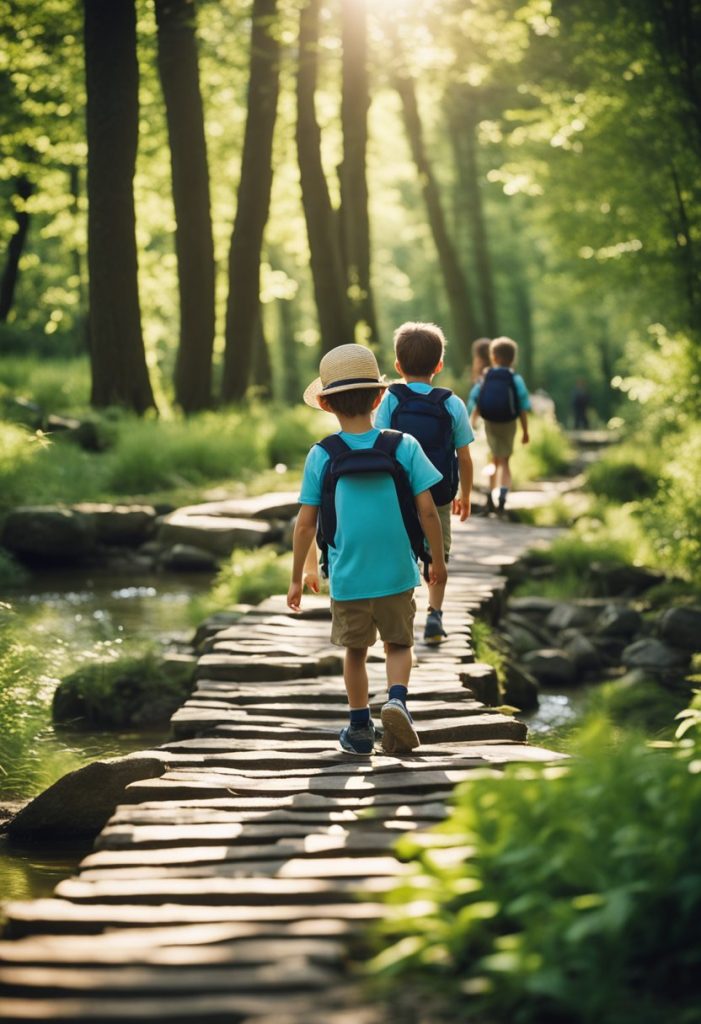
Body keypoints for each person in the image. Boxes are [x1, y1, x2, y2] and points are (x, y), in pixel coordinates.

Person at [287, 343, 447, 755]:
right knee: (399, 644)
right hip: (397, 571)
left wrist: (298, 577)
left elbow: (306, 523)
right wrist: (438, 562)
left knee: (355, 652)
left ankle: (359, 728)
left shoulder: (322, 454)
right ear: (380, 396)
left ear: (325, 404)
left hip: (348, 575)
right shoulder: (404, 445)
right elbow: (428, 513)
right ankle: (396, 700)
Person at [375, 321, 474, 645]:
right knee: (437, 556)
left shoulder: (390, 400)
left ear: (398, 366)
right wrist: (466, 495)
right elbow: (465, 456)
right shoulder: (451, 403)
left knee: (402, 552)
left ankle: (404, 614)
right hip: (440, 494)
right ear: (439, 365)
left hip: (399, 496)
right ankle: (435, 614)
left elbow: (380, 447)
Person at [467, 336, 530, 516]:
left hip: (490, 423)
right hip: (509, 423)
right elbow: (523, 407)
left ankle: (490, 494)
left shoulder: (486, 377)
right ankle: (503, 493)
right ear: (513, 359)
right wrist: (525, 431)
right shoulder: (515, 379)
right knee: (505, 460)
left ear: (493, 357)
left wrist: (471, 422)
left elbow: (475, 401)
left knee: (493, 458)